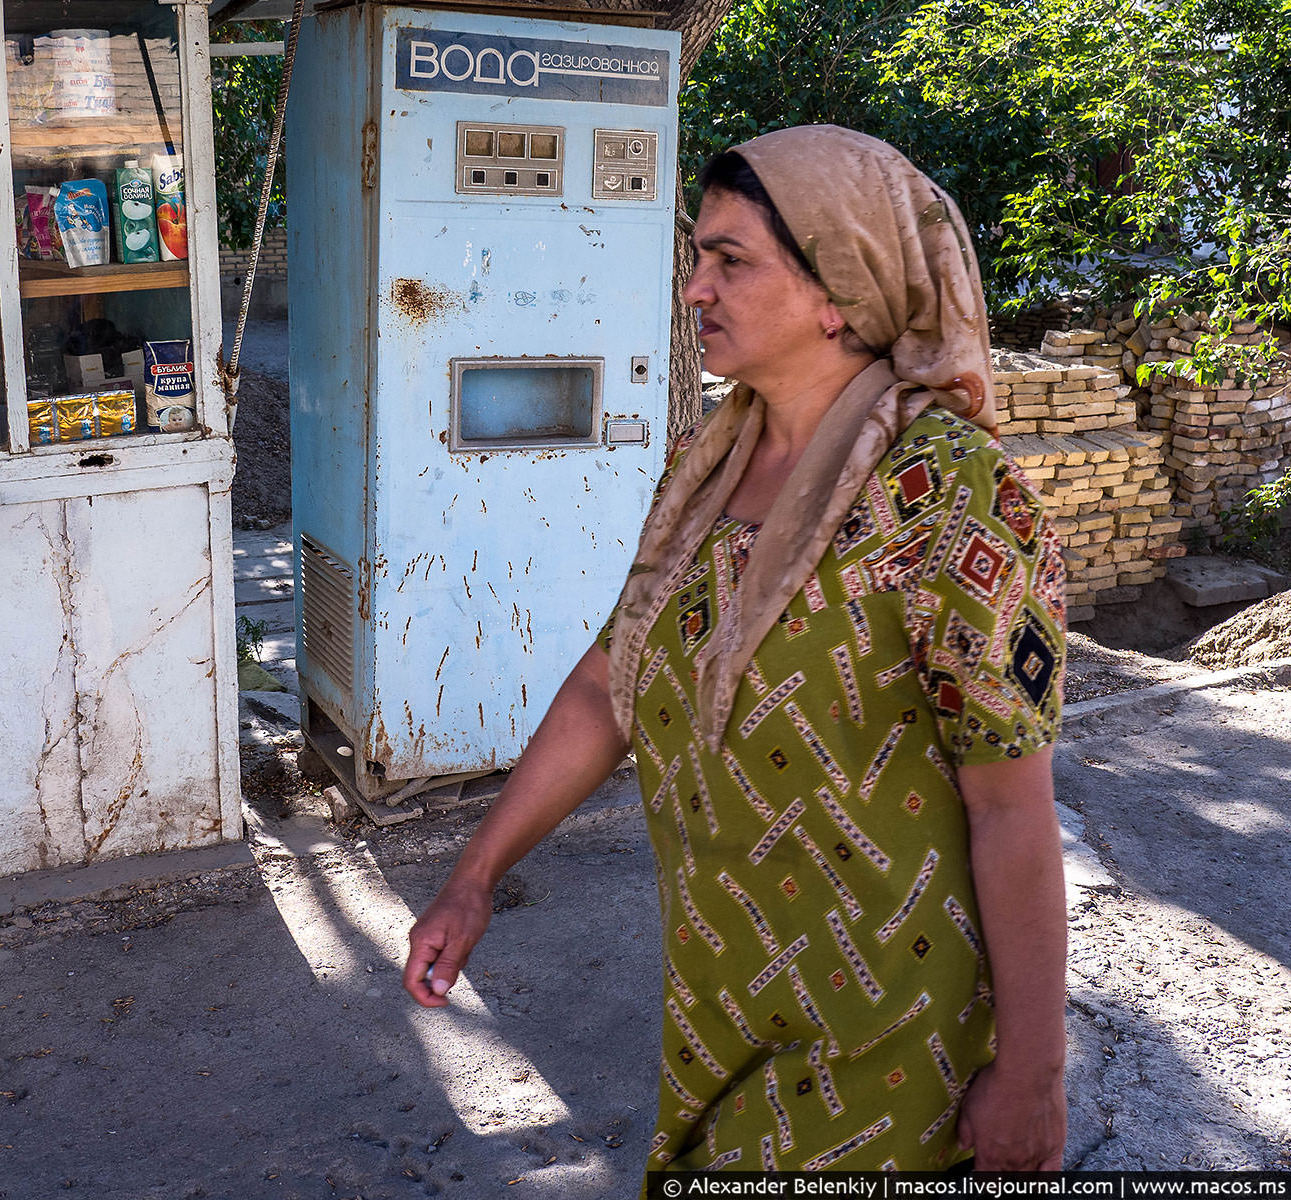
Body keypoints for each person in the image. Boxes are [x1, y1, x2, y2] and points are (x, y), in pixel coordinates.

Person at [403, 125, 1068, 1177]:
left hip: (892, 1034)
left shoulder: (950, 497)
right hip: (720, 1007)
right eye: (695, 258)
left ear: (838, 291)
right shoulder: (705, 470)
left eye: (730, 260)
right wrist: (475, 875)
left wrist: (1033, 1072)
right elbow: (607, 683)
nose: (693, 290)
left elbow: (1010, 806)